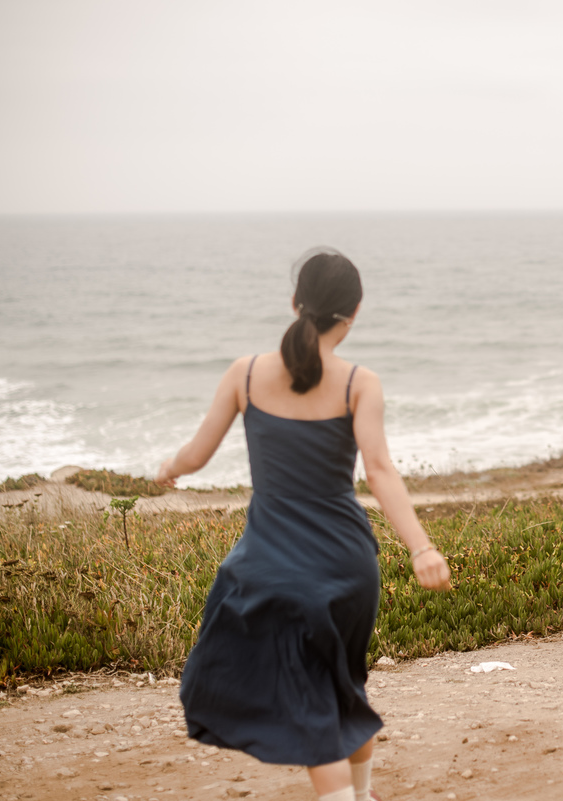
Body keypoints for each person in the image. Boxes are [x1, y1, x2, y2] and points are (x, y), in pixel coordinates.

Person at [156, 246, 451, 801]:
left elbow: (195, 455)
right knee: (344, 688)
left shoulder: (244, 374)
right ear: (353, 314)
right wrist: (420, 548)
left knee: (319, 710)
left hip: (272, 564)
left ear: (295, 302)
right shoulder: (358, 382)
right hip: (348, 563)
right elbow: (381, 472)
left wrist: (167, 470)